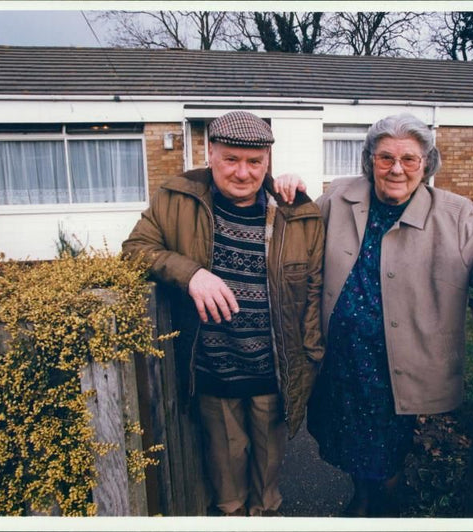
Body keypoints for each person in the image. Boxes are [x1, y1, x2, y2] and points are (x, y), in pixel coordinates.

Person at [274, 112, 473, 517]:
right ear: (370, 161)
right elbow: (299, 235)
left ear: (426, 164)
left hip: (397, 365)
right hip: (342, 358)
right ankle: (363, 501)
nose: (396, 168)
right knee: (350, 442)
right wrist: (290, 195)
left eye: (409, 159)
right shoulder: (339, 197)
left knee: (387, 454)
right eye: (385, 158)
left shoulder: (453, 212)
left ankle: (381, 509)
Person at [122, 111, 324, 517]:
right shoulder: (176, 198)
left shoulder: (298, 212)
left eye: (254, 162)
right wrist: (191, 273)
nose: (243, 173)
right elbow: (135, 250)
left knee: (268, 466)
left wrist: (312, 352)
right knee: (226, 467)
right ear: (210, 153)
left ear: (269, 161)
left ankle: (265, 513)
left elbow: (314, 288)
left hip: (273, 366)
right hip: (214, 364)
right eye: (231, 159)